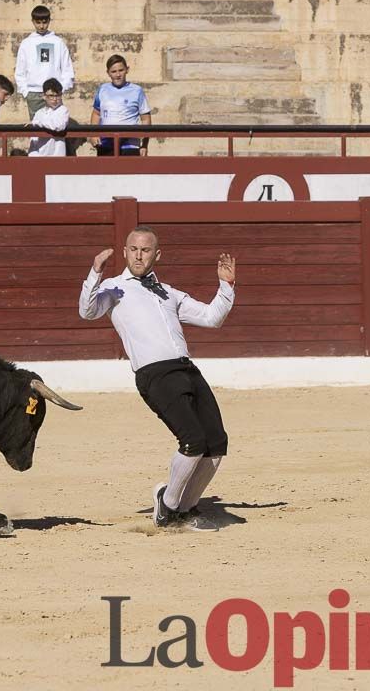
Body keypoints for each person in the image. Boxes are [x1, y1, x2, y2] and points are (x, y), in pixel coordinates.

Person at [78, 227, 236, 532]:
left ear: (156, 255)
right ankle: (168, 507)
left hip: (187, 370)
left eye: (146, 250)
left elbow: (211, 318)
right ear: (125, 252)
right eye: (133, 249)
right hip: (155, 373)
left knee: (216, 442)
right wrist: (94, 273)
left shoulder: (169, 293)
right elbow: (87, 311)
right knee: (192, 441)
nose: (139, 255)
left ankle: (185, 510)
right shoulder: (113, 288)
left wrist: (226, 285)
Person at [15, 5, 75, 120]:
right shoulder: (26, 43)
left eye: (44, 22)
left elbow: (67, 68)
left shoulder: (58, 42)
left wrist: (61, 88)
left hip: (54, 93)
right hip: (34, 93)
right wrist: (26, 92)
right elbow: (20, 70)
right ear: (33, 21)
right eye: (38, 22)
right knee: (37, 129)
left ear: (49, 21)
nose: (41, 26)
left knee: (56, 125)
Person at [90, 54, 152, 156]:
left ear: (127, 70)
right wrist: (93, 135)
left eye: (121, 70)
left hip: (130, 145)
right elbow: (96, 114)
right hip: (105, 144)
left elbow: (145, 119)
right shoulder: (102, 89)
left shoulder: (137, 90)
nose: (118, 74)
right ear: (108, 73)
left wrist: (144, 145)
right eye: (113, 71)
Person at [28, 78, 70, 157]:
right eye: (51, 95)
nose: (55, 99)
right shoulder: (39, 113)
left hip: (56, 157)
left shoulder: (63, 110)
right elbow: (34, 139)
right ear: (44, 96)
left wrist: (38, 122)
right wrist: (33, 155)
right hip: (39, 157)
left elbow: (59, 125)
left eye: (58, 96)